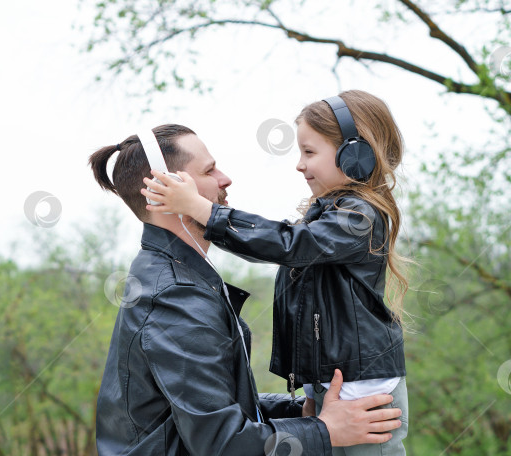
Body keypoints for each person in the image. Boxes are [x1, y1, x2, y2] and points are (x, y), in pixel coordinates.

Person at [88, 123, 403, 455]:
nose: (225, 178)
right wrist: (325, 430)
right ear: (166, 189)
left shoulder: (183, 275)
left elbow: (214, 411)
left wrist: (301, 410)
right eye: (209, 170)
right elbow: (221, 443)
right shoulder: (174, 297)